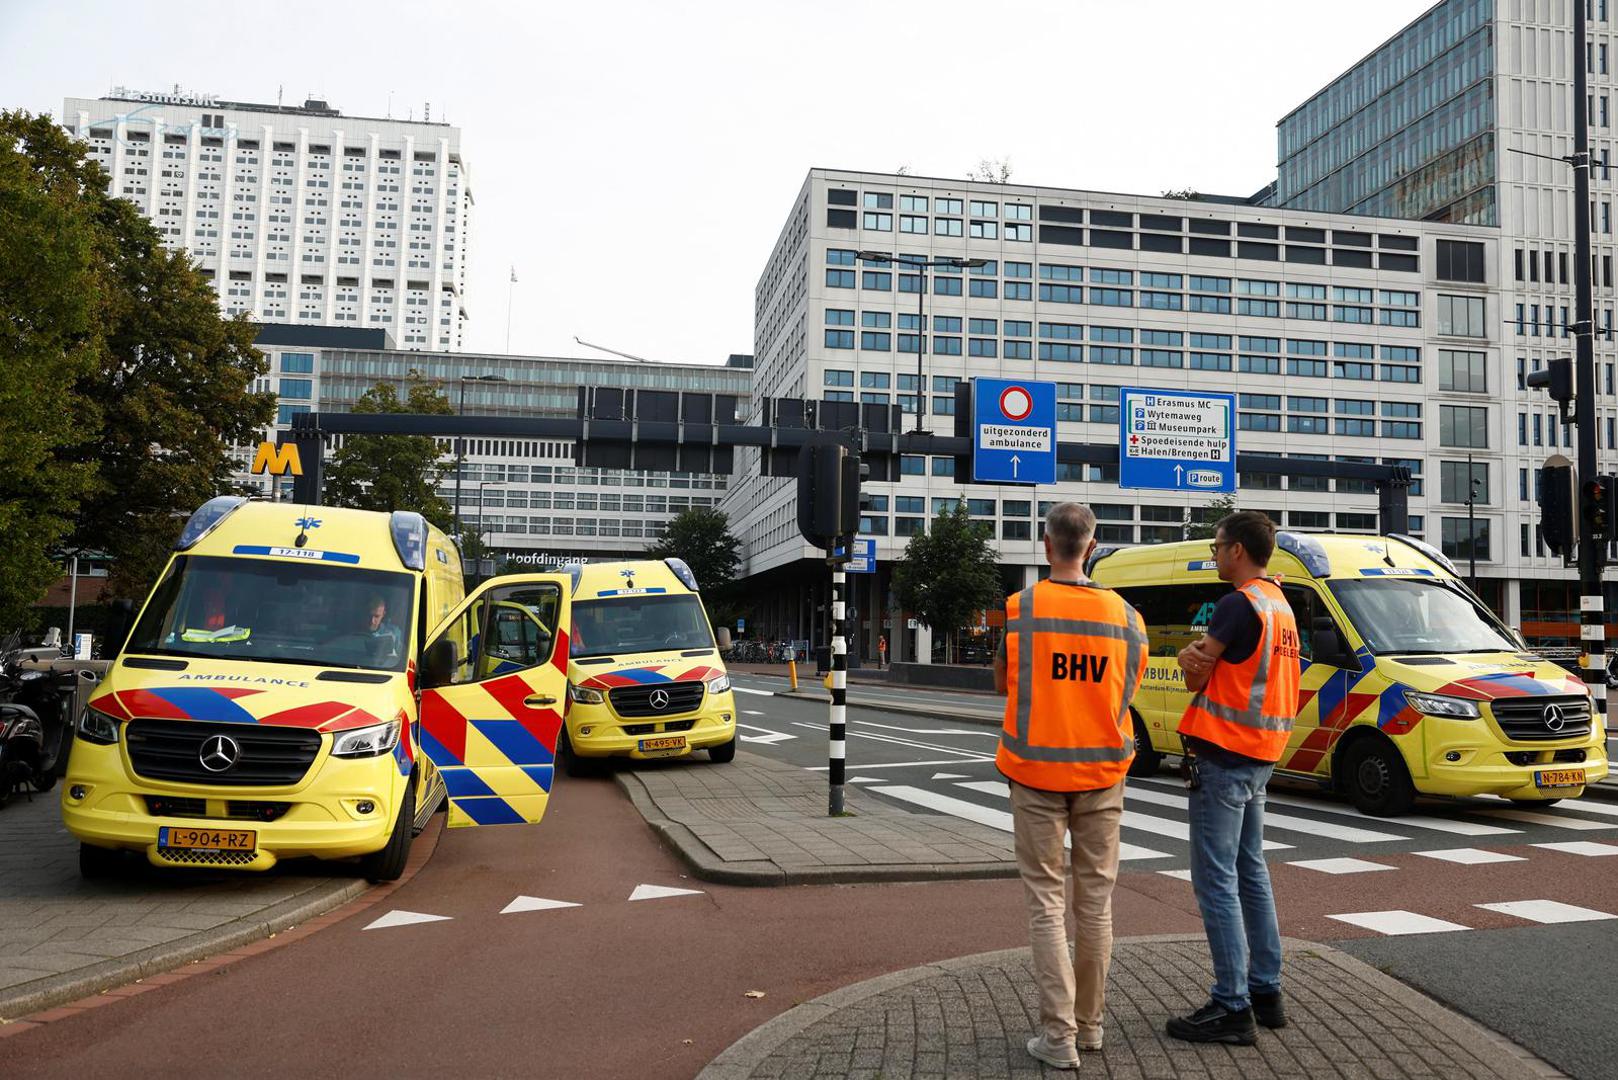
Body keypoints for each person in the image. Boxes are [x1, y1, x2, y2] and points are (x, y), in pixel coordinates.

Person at [993, 502, 1147, 1070]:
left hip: (1035, 774)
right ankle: (1091, 1027)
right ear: (1093, 546)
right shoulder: (1127, 617)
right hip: (1103, 775)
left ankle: (1058, 1037)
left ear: (1046, 544)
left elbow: (1005, 682)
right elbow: (1125, 691)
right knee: (1096, 907)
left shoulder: (1022, 608)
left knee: (1046, 904)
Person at [1167, 511, 1301, 1046]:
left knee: (1215, 879)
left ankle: (1231, 1004)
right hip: (1262, 754)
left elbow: (1195, 669)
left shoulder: (1237, 604)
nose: (1215, 555)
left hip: (1223, 754)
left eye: (1218, 547)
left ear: (1238, 550)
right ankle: (1266, 991)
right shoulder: (1281, 606)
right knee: (1251, 872)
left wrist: (1189, 657)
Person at [363, 594, 404, 665]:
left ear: (383, 614)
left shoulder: (394, 634)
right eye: (370, 615)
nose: (372, 620)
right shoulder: (352, 631)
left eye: (376, 616)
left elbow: (401, 661)